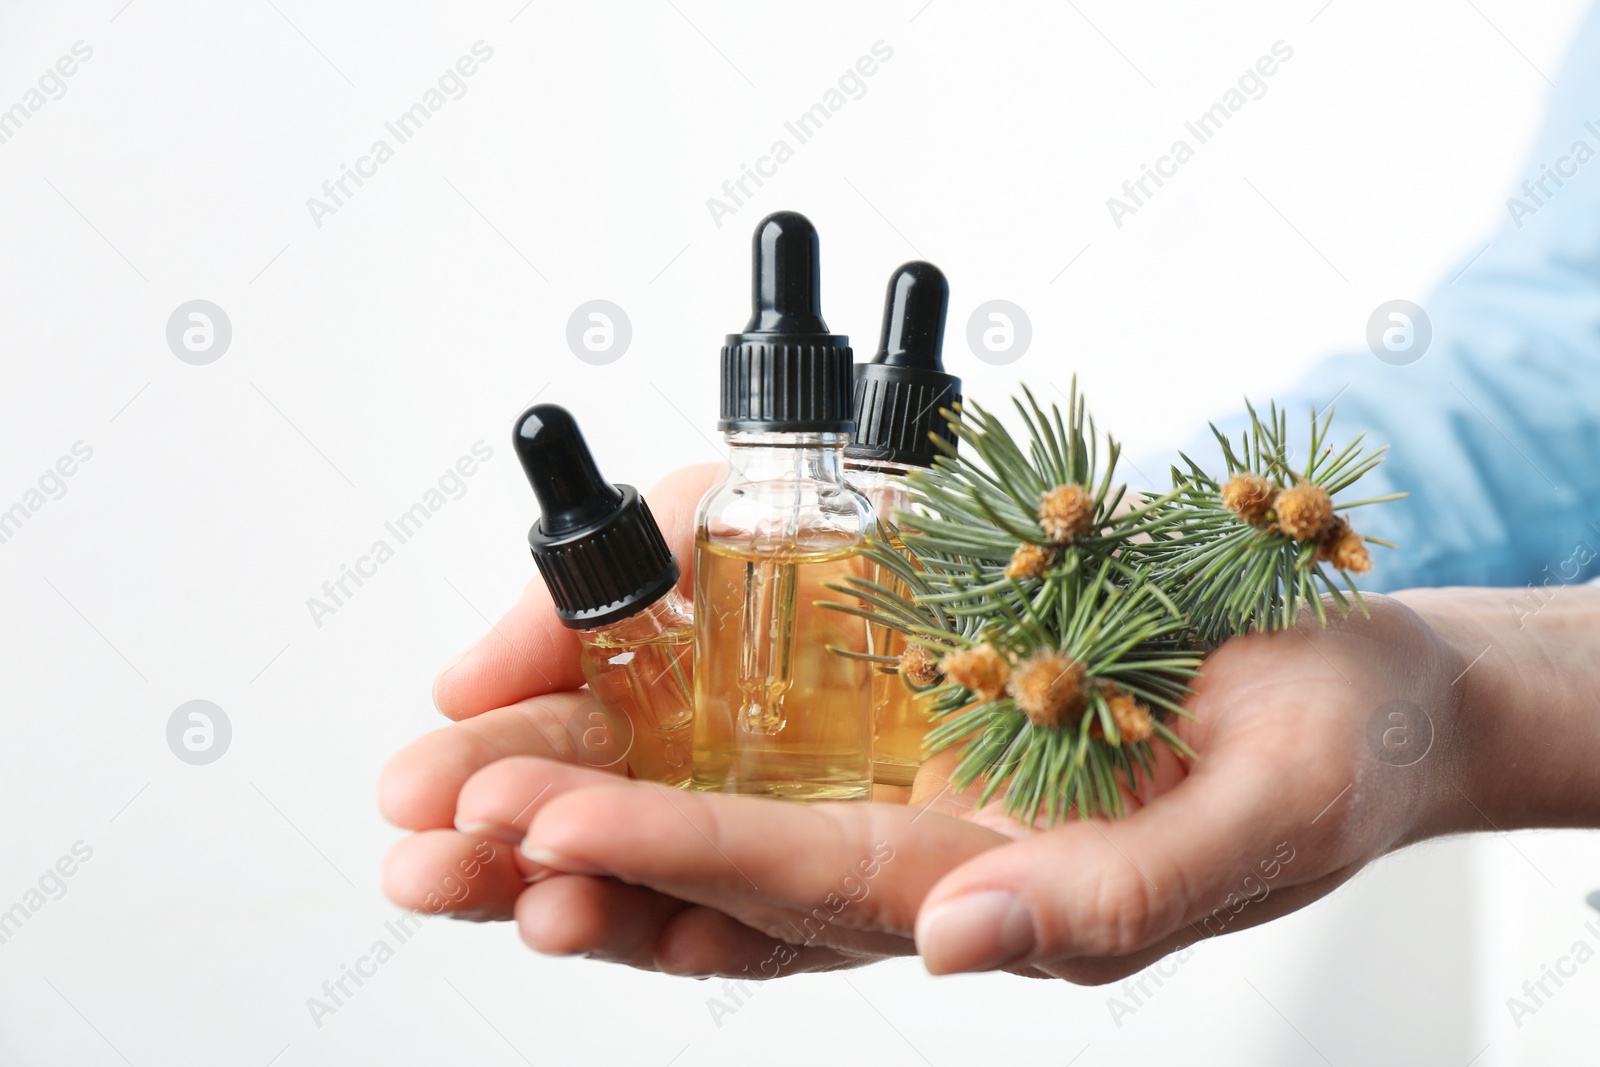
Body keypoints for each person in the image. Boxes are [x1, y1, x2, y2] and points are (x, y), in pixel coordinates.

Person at [377, 7, 1600, 981]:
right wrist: (1147, 574)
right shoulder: (748, 523)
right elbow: (1556, 347)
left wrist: (1500, 701)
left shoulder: (820, 521)